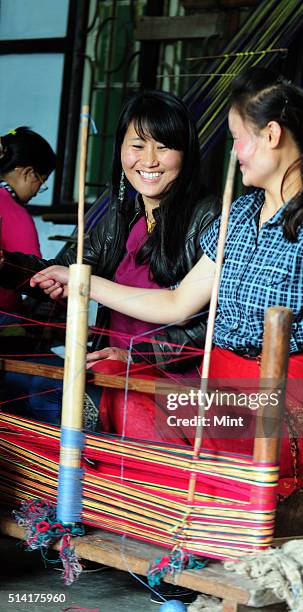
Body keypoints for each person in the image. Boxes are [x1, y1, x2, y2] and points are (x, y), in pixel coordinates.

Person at [31, 70, 303, 498]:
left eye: (239, 138)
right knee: (119, 387)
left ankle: (189, 493)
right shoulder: (239, 217)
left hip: (282, 409)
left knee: (169, 429)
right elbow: (177, 303)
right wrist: (81, 281)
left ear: (272, 135)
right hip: (216, 398)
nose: (234, 153)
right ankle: (201, 494)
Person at [0, 91, 220, 425]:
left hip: (169, 379)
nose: (148, 160)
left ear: (186, 154)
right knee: (22, 386)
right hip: (110, 365)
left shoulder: (209, 217)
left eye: (163, 147)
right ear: (120, 150)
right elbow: (65, 269)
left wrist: (137, 356)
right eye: (137, 146)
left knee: (47, 396)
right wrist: (6, 265)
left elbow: (216, 321)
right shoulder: (121, 216)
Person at [0, 126, 55, 314]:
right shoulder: (13, 211)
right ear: (28, 173)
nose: (37, 190)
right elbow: (35, 278)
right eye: (42, 181)